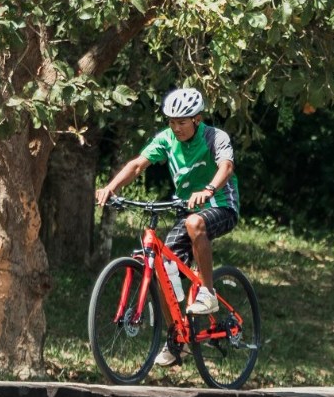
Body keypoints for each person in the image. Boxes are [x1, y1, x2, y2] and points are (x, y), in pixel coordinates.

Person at [95, 87, 243, 319]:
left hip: (221, 204)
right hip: (187, 211)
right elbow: (137, 165)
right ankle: (176, 338)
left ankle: (208, 292)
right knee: (161, 269)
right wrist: (110, 187)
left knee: (195, 223)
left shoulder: (215, 137)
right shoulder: (166, 139)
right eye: (172, 122)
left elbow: (226, 167)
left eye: (182, 122)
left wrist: (208, 189)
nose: (176, 128)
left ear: (197, 119)